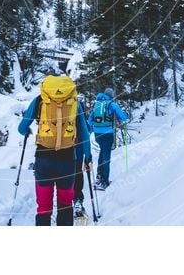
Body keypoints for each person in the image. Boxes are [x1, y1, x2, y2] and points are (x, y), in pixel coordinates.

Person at [18, 67, 92, 226]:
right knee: (65, 205)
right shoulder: (74, 103)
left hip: (43, 160)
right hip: (67, 161)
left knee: (43, 206)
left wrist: (28, 130)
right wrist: (88, 157)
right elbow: (84, 134)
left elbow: (21, 128)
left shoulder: (40, 100)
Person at [88, 87, 127, 190]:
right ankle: (104, 181)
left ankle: (98, 178)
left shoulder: (97, 104)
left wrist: (94, 129)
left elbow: (90, 120)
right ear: (111, 95)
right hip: (107, 133)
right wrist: (125, 114)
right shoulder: (111, 104)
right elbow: (123, 117)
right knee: (106, 157)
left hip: (97, 134)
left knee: (102, 152)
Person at [72, 95, 92, 219]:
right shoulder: (78, 106)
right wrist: (88, 156)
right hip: (77, 147)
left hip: (60, 149)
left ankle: (63, 204)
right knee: (77, 172)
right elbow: (86, 131)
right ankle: (77, 200)